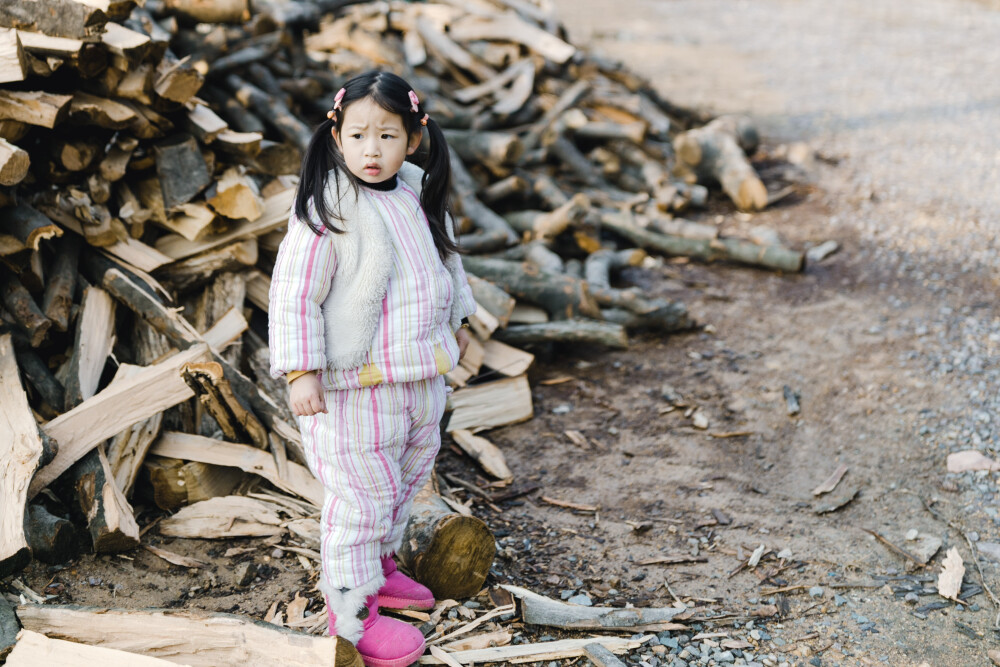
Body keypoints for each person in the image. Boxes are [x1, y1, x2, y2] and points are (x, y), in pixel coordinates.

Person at [268, 70, 477, 667]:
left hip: (417, 379)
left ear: (415, 138)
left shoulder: (415, 189)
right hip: (352, 388)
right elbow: (294, 293)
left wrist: (456, 321)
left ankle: (379, 569)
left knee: (406, 480)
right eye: (358, 135)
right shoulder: (327, 207)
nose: (372, 150)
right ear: (336, 137)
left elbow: (444, 267)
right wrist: (300, 369)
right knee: (360, 500)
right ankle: (351, 615)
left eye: (388, 135)